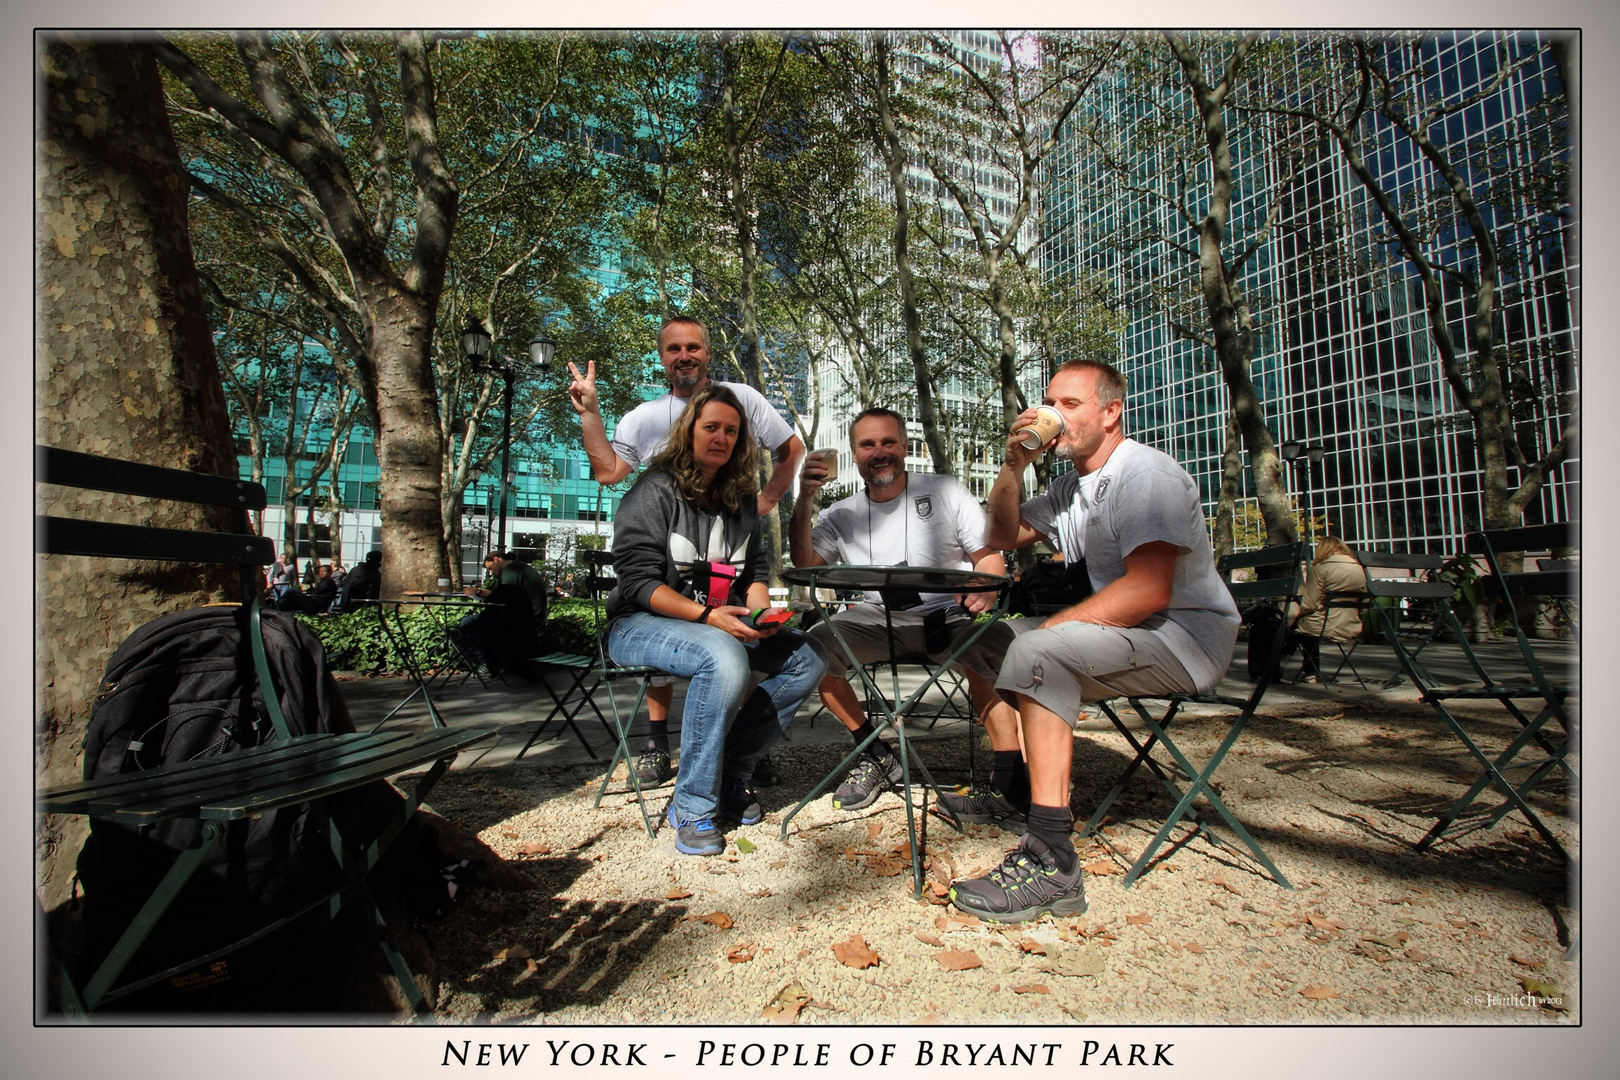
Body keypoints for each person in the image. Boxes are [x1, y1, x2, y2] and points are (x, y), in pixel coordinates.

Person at [948, 359, 1239, 923]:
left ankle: (1051, 859)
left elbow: (1150, 590)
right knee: (981, 643)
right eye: (1051, 402)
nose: (1054, 414)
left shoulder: (1144, 474)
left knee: (1035, 649)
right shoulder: (1069, 487)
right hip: (1132, 632)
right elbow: (1001, 535)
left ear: (1112, 412)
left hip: (1184, 639)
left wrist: (1055, 632)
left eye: (1071, 404)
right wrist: (1013, 464)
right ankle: (1012, 787)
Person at [569, 316, 808, 790]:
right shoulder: (644, 421)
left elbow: (791, 448)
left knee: (752, 638)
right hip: (660, 558)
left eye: (693, 347)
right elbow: (610, 472)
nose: (684, 356)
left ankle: (737, 751)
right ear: (662, 357)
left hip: (721, 545)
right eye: (674, 348)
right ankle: (662, 747)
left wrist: (761, 504)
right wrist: (589, 414)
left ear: (707, 352)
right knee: (713, 643)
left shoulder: (743, 401)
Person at [605, 384, 827, 856]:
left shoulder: (742, 498)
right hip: (638, 625)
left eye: (731, 430)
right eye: (711, 427)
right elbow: (639, 585)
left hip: (715, 623)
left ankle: (732, 771)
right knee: (724, 655)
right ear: (690, 433)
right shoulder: (655, 490)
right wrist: (708, 616)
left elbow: (755, 574)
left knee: (808, 657)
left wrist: (763, 612)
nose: (721, 437)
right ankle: (691, 806)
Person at [788, 407, 1021, 817]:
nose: (880, 452)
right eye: (868, 444)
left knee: (991, 646)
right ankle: (875, 754)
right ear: (854, 454)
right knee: (813, 650)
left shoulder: (946, 491)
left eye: (888, 442)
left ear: (905, 446)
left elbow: (988, 556)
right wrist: (805, 497)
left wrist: (983, 590)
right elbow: (806, 563)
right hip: (875, 619)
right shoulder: (840, 513)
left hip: (947, 616)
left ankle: (1010, 782)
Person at [1283, 536, 1368, 683]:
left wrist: (1298, 611)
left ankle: (1304, 667)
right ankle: (1298, 664)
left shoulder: (1321, 568)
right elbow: (1365, 601)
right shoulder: (1359, 568)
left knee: (1299, 628)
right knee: (1304, 628)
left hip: (1324, 624)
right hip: (1351, 624)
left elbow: (1309, 604)